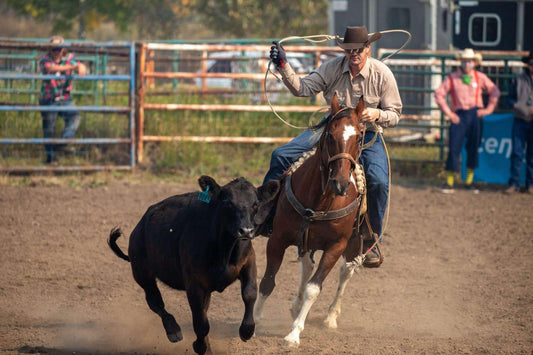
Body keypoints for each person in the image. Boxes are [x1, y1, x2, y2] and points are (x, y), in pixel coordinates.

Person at [264, 26, 402, 267]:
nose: (354, 54)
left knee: (378, 180)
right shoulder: (331, 68)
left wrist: (377, 114)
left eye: (358, 49)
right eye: (349, 50)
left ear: (368, 49)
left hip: (366, 134)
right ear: (344, 51)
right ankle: (266, 214)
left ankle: (370, 240)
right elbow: (302, 88)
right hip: (331, 130)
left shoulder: (382, 74)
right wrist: (284, 66)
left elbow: (395, 113)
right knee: (281, 155)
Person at [435, 48, 501, 194]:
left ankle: (469, 182)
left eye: (469, 61)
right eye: (464, 61)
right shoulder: (452, 78)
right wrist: (449, 113)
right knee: (454, 147)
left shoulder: (480, 77)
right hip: (459, 115)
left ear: (474, 62)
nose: (466, 64)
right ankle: (449, 182)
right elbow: (439, 94)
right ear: (461, 62)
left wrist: (488, 110)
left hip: (475, 114)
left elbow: (495, 91)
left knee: (473, 148)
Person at [39, 35, 87, 164]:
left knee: (75, 116)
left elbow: (80, 66)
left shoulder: (69, 58)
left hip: (64, 97)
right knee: (49, 128)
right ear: (50, 50)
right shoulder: (45, 59)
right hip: (49, 98)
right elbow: (49, 68)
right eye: (53, 49)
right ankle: (51, 157)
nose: (56, 51)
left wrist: (81, 66)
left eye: (58, 49)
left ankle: (63, 142)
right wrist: (73, 67)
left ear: (63, 49)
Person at [504, 50, 533, 194]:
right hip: (520, 120)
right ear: (528, 64)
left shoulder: (520, 79)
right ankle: (514, 183)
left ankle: (530, 184)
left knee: (532, 154)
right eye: (531, 63)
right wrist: (515, 105)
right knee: (517, 153)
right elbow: (509, 98)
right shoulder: (519, 79)